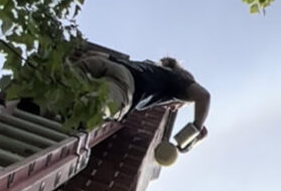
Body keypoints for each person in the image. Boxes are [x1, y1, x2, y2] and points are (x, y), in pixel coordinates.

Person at [74, 51, 210, 139]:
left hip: (108, 66)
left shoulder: (150, 67)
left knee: (62, 85)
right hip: (125, 85)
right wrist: (195, 131)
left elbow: (94, 54)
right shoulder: (177, 79)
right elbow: (204, 96)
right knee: (90, 109)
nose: (172, 109)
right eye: (178, 106)